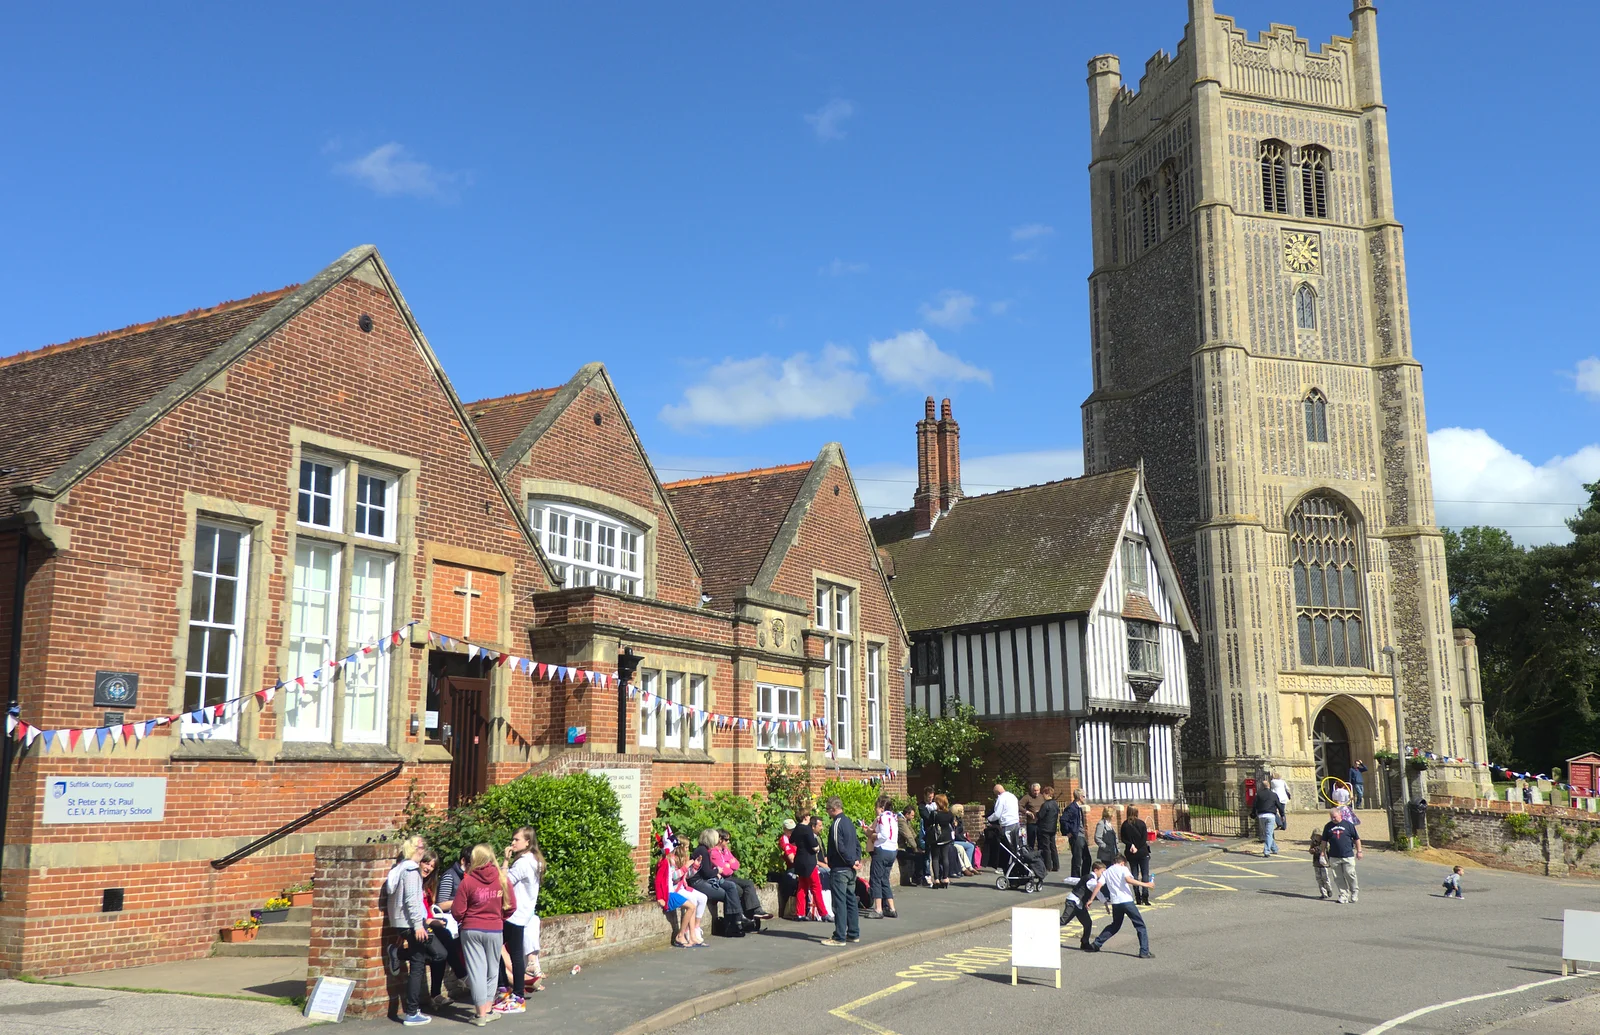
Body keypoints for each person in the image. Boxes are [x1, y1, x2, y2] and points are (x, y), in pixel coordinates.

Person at [451, 844, 513, 1028]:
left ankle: (480, 1015)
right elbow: (512, 906)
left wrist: (467, 918)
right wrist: (499, 918)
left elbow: (456, 912)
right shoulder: (502, 879)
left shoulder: (467, 881)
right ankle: (487, 1009)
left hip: (471, 930)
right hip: (494, 929)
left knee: (476, 971)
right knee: (492, 971)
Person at [382, 836, 434, 1026]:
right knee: (418, 964)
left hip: (399, 921)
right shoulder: (411, 870)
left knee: (418, 958)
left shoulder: (399, 868)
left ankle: (396, 952)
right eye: (422, 846)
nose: (424, 850)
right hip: (410, 923)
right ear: (415, 849)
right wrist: (418, 925)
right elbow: (412, 900)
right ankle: (412, 1012)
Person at [494, 827, 544, 1014]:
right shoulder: (534, 861)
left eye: (517, 840)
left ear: (527, 842)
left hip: (513, 914)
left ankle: (514, 995)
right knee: (503, 948)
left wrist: (505, 861)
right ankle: (507, 990)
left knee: (509, 952)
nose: (513, 843)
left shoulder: (522, 863)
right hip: (522, 913)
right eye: (513, 839)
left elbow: (502, 882)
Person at [1084, 854, 1155, 958]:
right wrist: (1146, 884)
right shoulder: (1123, 868)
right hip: (1127, 901)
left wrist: (1090, 900)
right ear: (1122, 862)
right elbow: (1129, 880)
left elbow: (1098, 885)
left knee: (1115, 925)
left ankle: (1096, 944)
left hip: (1116, 903)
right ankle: (1144, 951)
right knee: (1140, 926)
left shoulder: (1107, 872)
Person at [418, 850, 462, 1013]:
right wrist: (429, 921)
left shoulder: (428, 885)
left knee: (446, 936)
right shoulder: (413, 882)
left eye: (432, 866)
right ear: (419, 862)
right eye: (426, 863)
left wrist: (433, 919)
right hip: (420, 926)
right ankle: (461, 974)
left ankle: (437, 993)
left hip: (429, 922)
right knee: (442, 950)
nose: (428, 868)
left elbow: (430, 907)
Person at [822, 796, 862, 946]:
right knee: (851, 900)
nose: (827, 813)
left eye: (827, 810)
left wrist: (851, 861)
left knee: (840, 903)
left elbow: (839, 847)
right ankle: (853, 933)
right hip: (850, 869)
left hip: (840, 869)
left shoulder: (837, 823)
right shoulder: (849, 822)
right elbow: (857, 844)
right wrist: (856, 860)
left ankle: (839, 936)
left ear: (833, 809)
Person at [690, 830, 746, 935]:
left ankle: (735, 920)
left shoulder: (705, 850)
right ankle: (733, 922)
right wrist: (717, 871)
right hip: (698, 882)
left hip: (705, 879)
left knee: (731, 887)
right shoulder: (703, 851)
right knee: (726, 894)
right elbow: (706, 872)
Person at [654, 841, 706, 947]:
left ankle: (690, 934)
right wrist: (660, 897)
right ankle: (683, 934)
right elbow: (661, 880)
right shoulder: (667, 861)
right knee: (692, 904)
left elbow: (685, 876)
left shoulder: (670, 860)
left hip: (673, 891)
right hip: (671, 892)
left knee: (696, 903)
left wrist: (695, 866)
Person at [712, 829, 770, 920]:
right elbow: (724, 871)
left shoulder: (726, 850)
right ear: (720, 840)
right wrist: (729, 864)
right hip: (721, 879)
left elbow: (736, 865)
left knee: (749, 883)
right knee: (738, 890)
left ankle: (756, 910)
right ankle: (742, 916)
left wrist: (728, 864)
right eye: (726, 840)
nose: (728, 842)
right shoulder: (714, 852)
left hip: (729, 877)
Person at [1059, 859, 1104, 951]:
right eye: (1102, 872)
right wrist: (1105, 902)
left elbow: (1077, 880)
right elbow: (1097, 890)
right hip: (1073, 902)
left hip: (1079, 904)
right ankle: (1043, 925)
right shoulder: (1092, 880)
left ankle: (1085, 942)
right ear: (1096, 870)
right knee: (1063, 921)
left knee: (1088, 923)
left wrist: (1067, 880)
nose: (1102, 874)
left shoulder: (1088, 877)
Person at [1322, 807, 1362, 904]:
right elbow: (1324, 841)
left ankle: (1354, 892)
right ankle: (1343, 894)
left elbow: (1356, 839)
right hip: (1334, 856)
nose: (1333, 819)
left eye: (1335, 817)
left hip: (1347, 855)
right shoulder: (1328, 826)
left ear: (1340, 815)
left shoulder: (1349, 825)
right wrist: (1322, 853)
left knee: (1350, 874)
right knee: (1338, 877)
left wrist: (1359, 851)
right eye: (1331, 817)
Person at [867, 797, 899, 919]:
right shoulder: (894, 817)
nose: (875, 810)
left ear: (881, 808)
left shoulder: (882, 817)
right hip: (892, 850)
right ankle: (891, 908)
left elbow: (884, 835)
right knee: (884, 879)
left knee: (876, 878)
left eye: (876, 807)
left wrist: (874, 835)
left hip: (882, 850)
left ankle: (878, 909)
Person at [791, 813, 826, 921]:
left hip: (799, 860)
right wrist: (816, 849)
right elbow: (814, 845)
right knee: (816, 887)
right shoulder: (807, 829)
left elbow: (792, 841)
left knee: (802, 887)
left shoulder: (797, 828)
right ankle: (823, 913)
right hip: (809, 862)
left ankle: (800, 913)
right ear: (805, 817)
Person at [1119, 805, 1151, 905]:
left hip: (1131, 853)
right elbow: (1144, 838)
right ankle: (1145, 896)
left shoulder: (1125, 825)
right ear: (1136, 812)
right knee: (1145, 874)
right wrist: (1137, 846)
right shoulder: (1141, 824)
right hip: (1142, 851)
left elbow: (1123, 839)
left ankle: (1137, 897)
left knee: (1134, 874)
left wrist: (1131, 845)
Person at [926, 795, 957, 888]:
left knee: (935, 858)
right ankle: (945, 878)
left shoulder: (934, 813)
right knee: (945, 857)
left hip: (936, 837)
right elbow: (952, 823)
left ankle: (936, 879)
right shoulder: (949, 813)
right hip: (946, 837)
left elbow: (928, 823)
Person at [1062, 789, 1089, 882]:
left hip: (1081, 835)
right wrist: (1068, 832)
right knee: (1077, 859)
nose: (1085, 798)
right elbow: (1063, 820)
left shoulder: (1078, 807)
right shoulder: (1072, 808)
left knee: (1087, 858)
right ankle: (1075, 879)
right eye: (1084, 796)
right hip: (1076, 836)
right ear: (1080, 797)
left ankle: (1084, 878)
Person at [988, 783, 1020, 860]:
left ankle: (1008, 866)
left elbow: (997, 814)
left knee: (1008, 846)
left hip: (1007, 824)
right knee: (1016, 845)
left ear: (997, 792)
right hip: (1016, 822)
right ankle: (1016, 864)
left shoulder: (1001, 798)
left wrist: (989, 819)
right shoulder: (1012, 796)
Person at [897, 805, 925, 887]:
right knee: (918, 857)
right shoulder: (901, 821)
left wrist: (920, 845)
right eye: (912, 815)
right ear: (907, 814)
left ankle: (918, 878)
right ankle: (917, 879)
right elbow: (908, 836)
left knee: (921, 855)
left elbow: (913, 834)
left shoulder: (906, 821)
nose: (913, 817)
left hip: (903, 847)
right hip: (899, 849)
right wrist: (916, 849)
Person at [1254, 779, 1281, 857]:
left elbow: (1255, 805)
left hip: (1261, 816)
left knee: (1267, 833)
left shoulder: (1258, 794)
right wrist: (1282, 815)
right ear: (1269, 786)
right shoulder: (1273, 794)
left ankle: (1274, 848)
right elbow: (1279, 805)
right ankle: (1267, 851)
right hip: (1271, 816)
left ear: (1262, 786)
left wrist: (1253, 813)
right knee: (1269, 833)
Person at [1036, 787, 1061, 873]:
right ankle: (1056, 865)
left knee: (1046, 847)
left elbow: (1040, 816)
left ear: (1047, 794)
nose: (1043, 796)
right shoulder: (1055, 804)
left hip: (1045, 828)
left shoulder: (1045, 805)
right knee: (1053, 846)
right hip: (1052, 828)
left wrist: (1037, 813)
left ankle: (1048, 866)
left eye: (1043, 794)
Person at [951, 804, 979, 874]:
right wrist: (964, 841)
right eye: (961, 811)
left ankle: (969, 866)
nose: (963, 812)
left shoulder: (960, 820)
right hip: (954, 840)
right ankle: (968, 867)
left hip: (959, 839)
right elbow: (956, 834)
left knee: (971, 845)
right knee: (970, 846)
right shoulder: (954, 820)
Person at [1308, 828, 1333, 900]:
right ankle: (1323, 893)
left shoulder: (1324, 843)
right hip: (1316, 862)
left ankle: (1329, 889)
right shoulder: (1313, 843)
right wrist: (1311, 850)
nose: (1317, 837)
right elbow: (1310, 850)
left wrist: (1330, 861)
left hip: (1324, 862)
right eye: (1315, 836)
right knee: (1319, 878)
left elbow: (1327, 851)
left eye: (1318, 836)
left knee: (1325, 877)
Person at [1020, 783, 1045, 852]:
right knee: (1031, 841)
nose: (1036, 792)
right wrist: (1027, 812)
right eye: (1034, 790)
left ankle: (1041, 858)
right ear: (1031, 790)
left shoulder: (1042, 797)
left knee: (1041, 841)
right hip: (1031, 823)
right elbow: (1019, 805)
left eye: (1037, 790)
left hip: (1040, 822)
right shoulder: (1027, 797)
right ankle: (1031, 857)